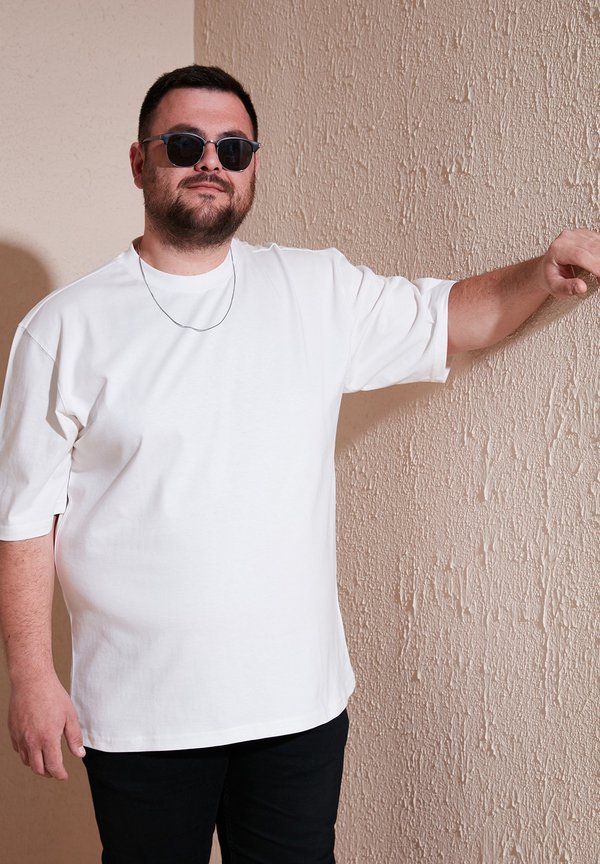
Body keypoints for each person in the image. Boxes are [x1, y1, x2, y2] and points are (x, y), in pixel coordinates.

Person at [0, 64, 597, 864]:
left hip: (296, 709)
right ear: (141, 162)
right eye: (185, 143)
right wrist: (32, 677)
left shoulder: (315, 289)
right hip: (141, 715)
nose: (210, 162)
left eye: (233, 148)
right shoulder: (63, 328)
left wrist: (542, 273)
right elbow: (23, 517)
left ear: (252, 168)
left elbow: (454, 317)